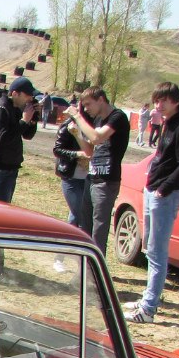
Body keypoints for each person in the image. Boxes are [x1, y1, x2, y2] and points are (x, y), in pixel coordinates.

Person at [124, 83, 179, 324]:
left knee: (157, 252)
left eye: (164, 100)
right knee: (149, 247)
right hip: (153, 189)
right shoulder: (170, 122)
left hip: (165, 195)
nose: (159, 105)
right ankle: (148, 297)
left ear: (176, 101)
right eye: (157, 100)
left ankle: (149, 309)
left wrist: (163, 189)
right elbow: (163, 157)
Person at [64, 86, 130, 255]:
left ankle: (96, 270)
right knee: (85, 225)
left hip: (107, 180)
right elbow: (90, 150)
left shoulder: (117, 117)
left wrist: (78, 116)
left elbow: (96, 137)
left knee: (99, 228)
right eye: (83, 106)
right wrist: (77, 134)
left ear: (101, 99)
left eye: (88, 104)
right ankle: (86, 264)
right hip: (92, 176)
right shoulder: (99, 120)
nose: (86, 109)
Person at [0, 75, 38, 203]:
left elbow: (27, 135)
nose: (30, 98)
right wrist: (24, 120)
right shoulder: (1, 109)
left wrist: (33, 119)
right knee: (0, 209)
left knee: (5, 206)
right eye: (27, 95)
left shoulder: (15, 109)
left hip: (10, 167)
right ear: (15, 93)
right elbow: (3, 139)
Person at [53, 112, 92, 237]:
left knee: (75, 217)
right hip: (71, 178)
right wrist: (77, 154)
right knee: (80, 215)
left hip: (87, 179)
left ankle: (62, 253)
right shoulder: (68, 126)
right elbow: (57, 150)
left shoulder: (94, 127)